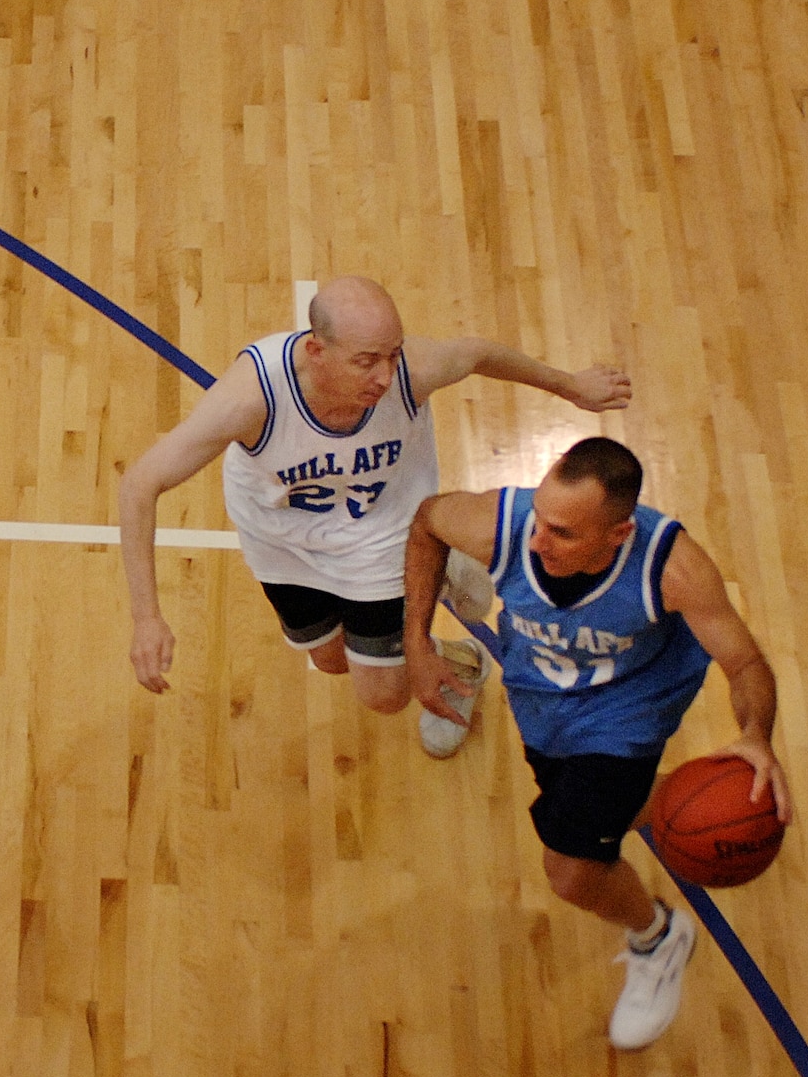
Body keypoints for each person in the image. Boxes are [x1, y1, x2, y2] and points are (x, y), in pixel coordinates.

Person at [119, 276, 632, 755]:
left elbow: (477, 353)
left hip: (380, 536)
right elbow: (140, 483)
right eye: (366, 361)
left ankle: (455, 646)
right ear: (316, 352)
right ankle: (435, 587)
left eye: (392, 354)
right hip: (281, 542)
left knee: (383, 695)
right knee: (330, 660)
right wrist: (146, 617)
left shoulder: (411, 372)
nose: (386, 376)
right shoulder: (251, 398)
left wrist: (570, 386)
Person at [404, 436, 791, 1049]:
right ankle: (669, 799)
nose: (537, 541)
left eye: (561, 533)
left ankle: (659, 938)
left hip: (625, 721)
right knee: (584, 806)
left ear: (617, 534)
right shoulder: (501, 524)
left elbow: (745, 663)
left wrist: (755, 737)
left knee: (570, 870)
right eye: (540, 521)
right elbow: (427, 522)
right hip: (541, 705)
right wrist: (419, 644)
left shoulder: (673, 569)